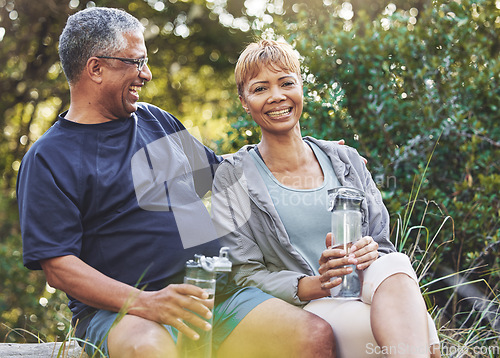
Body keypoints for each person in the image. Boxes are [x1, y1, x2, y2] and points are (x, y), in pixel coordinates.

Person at [16, 9, 337, 358]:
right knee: (152, 351)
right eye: (135, 62)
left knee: (312, 336)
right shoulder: (48, 158)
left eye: (146, 61)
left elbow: (225, 176)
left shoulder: (156, 121)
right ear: (96, 69)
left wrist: (319, 156)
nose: (146, 74)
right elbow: (59, 268)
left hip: (219, 296)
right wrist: (148, 302)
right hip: (125, 312)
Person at [211, 39, 441, 358]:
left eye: (286, 83)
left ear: (301, 87)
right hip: (306, 304)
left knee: (398, 263)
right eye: (260, 88)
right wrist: (318, 282)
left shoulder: (344, 159)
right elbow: (245, 274)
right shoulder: (232, 176)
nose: (277, 96)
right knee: (409, 327)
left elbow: (384, 246)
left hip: (370, 286)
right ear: (244, 101)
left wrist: (369, 249)